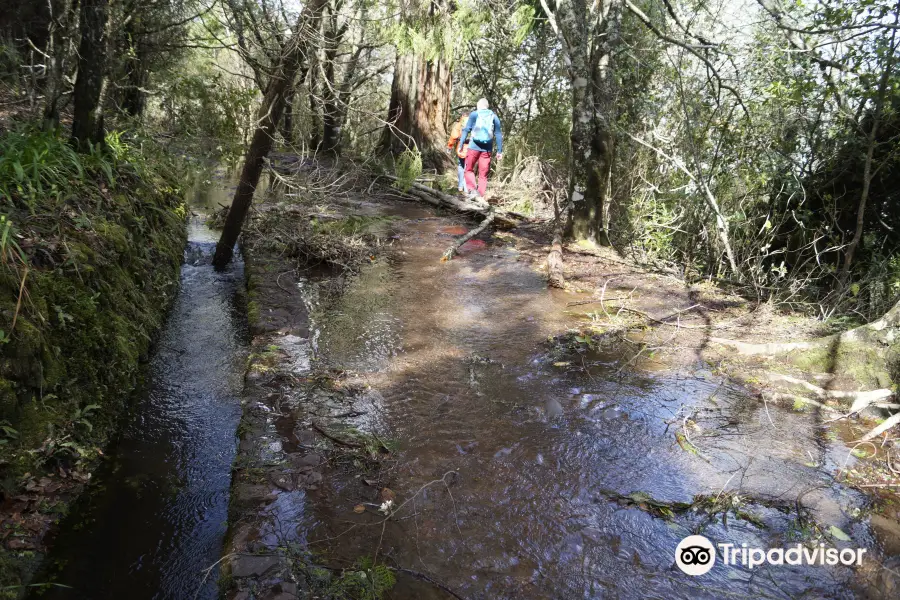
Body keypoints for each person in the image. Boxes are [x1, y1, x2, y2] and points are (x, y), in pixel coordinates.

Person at [457, 98, 503, 201]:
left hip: (473, 147)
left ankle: (473, 191)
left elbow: (466, 129)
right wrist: (500, 151)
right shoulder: (494, 117)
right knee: (483, 175)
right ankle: (480, 197)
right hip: (487, 149)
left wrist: (461, 144)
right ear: (487, 106)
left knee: (468, 169)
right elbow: (498, 134)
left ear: (479, 105)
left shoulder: (474, 114)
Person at [447, 110, 471, 192]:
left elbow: (454, 136)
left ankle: (461, 186)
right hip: (472, 149)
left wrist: (449, 147)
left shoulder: (459, 124)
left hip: (461, 149)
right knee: (469, 168)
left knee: (461, 166)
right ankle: (468, 187)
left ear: (462, 116)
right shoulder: (474, 124)